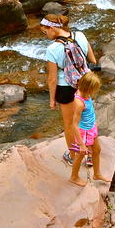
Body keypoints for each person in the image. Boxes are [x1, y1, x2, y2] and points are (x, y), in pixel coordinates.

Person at [40, 13, 98, 163]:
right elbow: (92, 59)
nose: (45, 35)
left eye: (45, 31)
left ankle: (74, 157)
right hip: (85, 85)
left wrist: (52, 100)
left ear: (52, 28)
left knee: (70, 124)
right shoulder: (80, 35)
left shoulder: (52, 49)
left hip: (65, 89)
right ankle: (90, 154)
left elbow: (52, 79)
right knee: (86, 120)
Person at [68, 72, 107, 186]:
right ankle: (74, 177)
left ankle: (97, 174)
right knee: (80, 155)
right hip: (84, 132)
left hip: (91, 127)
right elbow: (74, 124)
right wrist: (81, 144)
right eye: (93, 89)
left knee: (97, 150)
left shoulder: (87, 94)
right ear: (87, 88)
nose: (94, 92)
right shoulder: (79, 102)